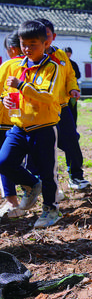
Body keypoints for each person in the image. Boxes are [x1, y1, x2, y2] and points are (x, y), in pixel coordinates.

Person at [0, 20, 62, 228]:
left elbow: (47, 95)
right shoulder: (17, 67)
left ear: (45, 44)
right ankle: (30, 184)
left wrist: (22, 86)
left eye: (32, 44)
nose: (27, 49)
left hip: (43, 128)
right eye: (23, 44)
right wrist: (6, 99)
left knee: (47, 171)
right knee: (3, 161)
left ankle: (51, 210)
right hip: (19, 127)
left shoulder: (52, 67)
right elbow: (10, 92)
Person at [36, 18, 89, 190]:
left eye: (47, 35)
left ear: (53, 36)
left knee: (72, 139)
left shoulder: (60, 56)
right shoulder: (31, 59)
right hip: (40, 109)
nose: (44, 39)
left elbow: (70, 76)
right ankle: (43, 181)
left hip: (62, 106)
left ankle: (76, 176)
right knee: (44, 144)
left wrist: (73, 88)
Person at [0, 32, 25, 218]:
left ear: (12, 49)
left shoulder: (7, 66)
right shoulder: (34, 66)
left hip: (4, 121)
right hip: (28, 121)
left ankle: (11, 201)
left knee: (4, 162)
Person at [64, 47, 81, 124]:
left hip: (72, 90)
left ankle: (74, 125)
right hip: (62, 91)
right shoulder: (60, 64)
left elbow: (78, 75)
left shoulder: (73, 64)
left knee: (73, 108)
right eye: (66, 53)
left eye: (69, 54)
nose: (68, 55)